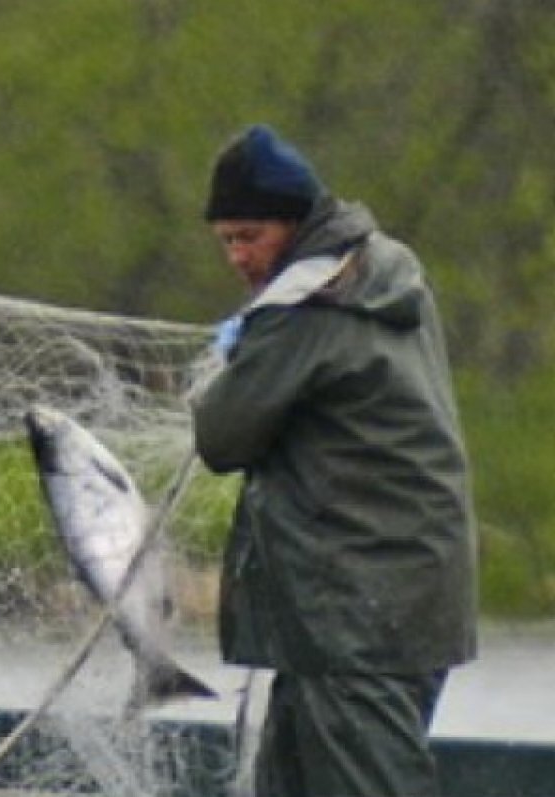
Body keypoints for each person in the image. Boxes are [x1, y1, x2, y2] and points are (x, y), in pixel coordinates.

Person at [189, 124, 477, 797]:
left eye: (249, 237)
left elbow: (221, 437)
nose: (237, 256)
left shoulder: (307, 305)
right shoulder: (386, 266)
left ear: (293, 224)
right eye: (226, 240)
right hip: (410, 593)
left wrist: (232, 362)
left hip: (352, 615)